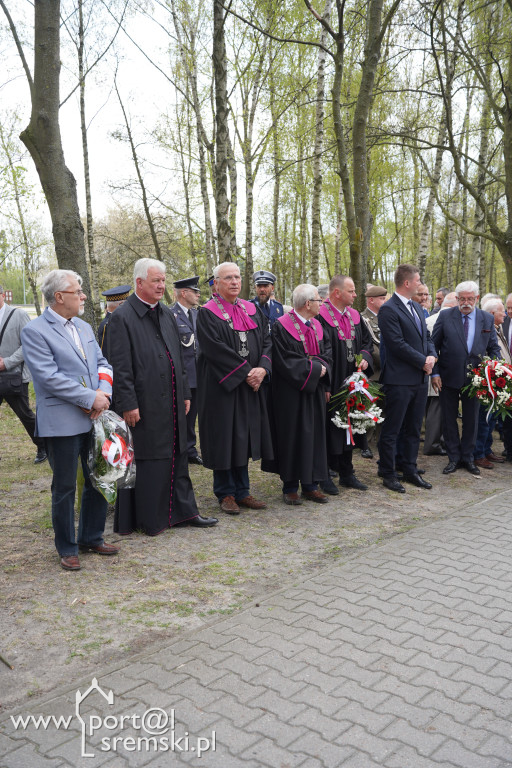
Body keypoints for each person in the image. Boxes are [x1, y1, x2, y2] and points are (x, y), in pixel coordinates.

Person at [108, 258, 217, 535]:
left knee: (179, 454)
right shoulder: (122, 318)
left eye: (163, 280)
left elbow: (178, 357)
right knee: (150, 458)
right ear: (139, 283)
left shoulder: (166, 314)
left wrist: (183, 392)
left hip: (172, 401)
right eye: (156, 280)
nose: (161, 285)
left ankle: (183, 511)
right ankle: (151, 517)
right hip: (143, 404)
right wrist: (128, 403)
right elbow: (119, 367)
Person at [21, 269, 118, 571]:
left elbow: (102, 363)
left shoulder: (84, 327)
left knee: (98, 477)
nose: (84, 296)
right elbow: (48, 378)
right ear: (60, 296)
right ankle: (67, 546)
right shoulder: (35, 330)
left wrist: (103, 393)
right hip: (62, 422)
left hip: (94, 417)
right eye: (78, 291)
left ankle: (91, 536)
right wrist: (90, 398)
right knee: (64, 487)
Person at [196, 261, 273, 515]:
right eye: (228, 278)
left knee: (244, 437)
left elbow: (266, 341)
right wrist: (245, 373)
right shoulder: (207, 312)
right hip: (223, 387)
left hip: (250, 386)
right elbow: (214, 350)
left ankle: (243, 490)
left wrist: (262, 368)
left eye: (238, 277)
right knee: (225, 438)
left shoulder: (252, 309)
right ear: (215, 283)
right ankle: (225, 492)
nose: (234, 282)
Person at [263, 284, 332, 505]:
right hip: (290, 393)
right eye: (319, 300)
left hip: (315, 390)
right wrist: (314, 369)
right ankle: (290, 485)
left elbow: (328, 353)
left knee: (314, 437)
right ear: (308, 303)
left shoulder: (318, 325)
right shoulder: (281, 326)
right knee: (292, 436)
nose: (322, 303)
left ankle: (311, 484)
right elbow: (284, 361)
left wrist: (321, 368)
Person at [431, 280, 501, 476]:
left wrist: (494, 370)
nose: (466, 303)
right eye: (462, 299)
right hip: (447, 376)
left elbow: (493, 348)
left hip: (477, 379)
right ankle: (454, 458)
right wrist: (435, 373)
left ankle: (469, 458)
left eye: (470, 299)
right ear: (457, 299)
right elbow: (432, 346)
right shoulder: (445, 316)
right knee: (449, 419)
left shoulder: (486, 318)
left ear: (477, 299)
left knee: (472, 420)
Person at [377, 263, 436, 493]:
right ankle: (388, 472)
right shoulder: (389, 309)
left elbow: (426, 337)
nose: (421, 285)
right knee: (392, 429)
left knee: (413, 428)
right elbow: (396, 344)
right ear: (407, 283)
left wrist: (431, 355)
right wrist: (422, 360)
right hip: (399, 379)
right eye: (418, 281)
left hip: (420, 379)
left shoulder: (416, 307)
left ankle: (409, 468)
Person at [318, 275, 374, 492]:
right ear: (336, 293)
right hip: (332, 382)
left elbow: (368, 343)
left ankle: (347, 472)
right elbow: (320, 352)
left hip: (353, 380)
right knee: (329, 428)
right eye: (351, 291)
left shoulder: (355, 316)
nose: (355, 295)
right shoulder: (321, 316)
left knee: (351, 425)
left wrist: (364, 359)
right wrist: (325, 385)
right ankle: (325, 474)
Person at [0, 285, 47, 464]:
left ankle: (43, 446)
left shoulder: (18, 315)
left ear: (3, 295)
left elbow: (29, 344)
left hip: (14, 376)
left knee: (25, 415)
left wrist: (7, 362)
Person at [473, 297, 508, 469]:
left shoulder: (498, 328)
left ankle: (486, 450)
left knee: (491, 418)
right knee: (483, 418)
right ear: (493, 313)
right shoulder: (483, 329)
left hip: (497, 379)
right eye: (503, 310)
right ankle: (478, 453)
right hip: (486, 379)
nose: (505, 313)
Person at [171, 276, 202, 465]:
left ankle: (190, 449)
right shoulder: (170, 315)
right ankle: (178, 449)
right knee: (180, 415)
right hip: (181, 376)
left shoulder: (197, 314)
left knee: (193, 417)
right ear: (184, 293)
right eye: (195, 291)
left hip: (198, 375)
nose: (198, 295)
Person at [423, 292, 457, 456]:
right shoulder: (440, 321)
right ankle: (432, 444)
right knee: (437, 410)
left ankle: (436, 441)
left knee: (433, 409)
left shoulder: (428, 320)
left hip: (430, 371)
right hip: (438, 372)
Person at [359, 284, 387, 459]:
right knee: (368, 409)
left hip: (387, 372)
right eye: (382, 299)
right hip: (374, 371)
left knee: (384, 410)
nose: (385, 302)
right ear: (371, 300)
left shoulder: (386, 317)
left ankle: (381, 440)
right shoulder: (363, 319)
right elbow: (369, 346)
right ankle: (365, 444)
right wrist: (386, 361)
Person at [97, 284, 131, 357]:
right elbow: (104, 353)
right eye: (127, 303)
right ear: (121, 304)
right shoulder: (107, 325)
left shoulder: (124, 319)